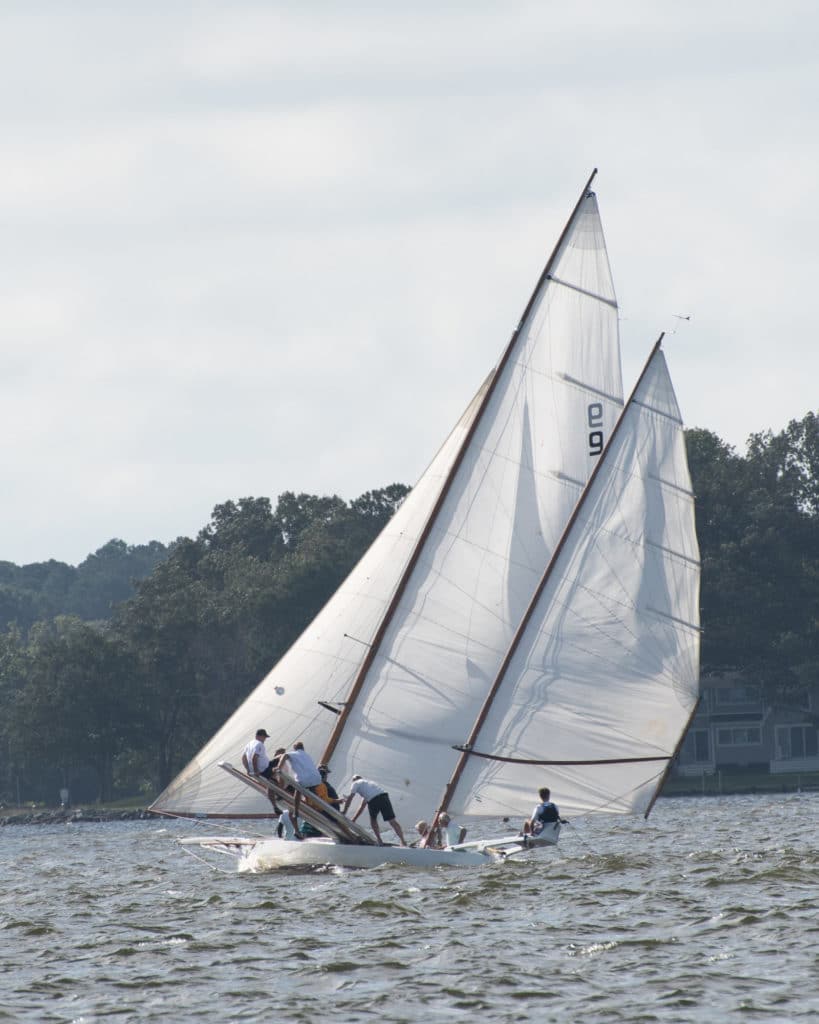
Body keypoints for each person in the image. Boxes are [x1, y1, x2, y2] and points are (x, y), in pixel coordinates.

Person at [343, 776, 407, 846]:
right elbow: (362, 807)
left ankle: (379, 840)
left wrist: (344, 811)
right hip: (384, 797)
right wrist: (354, 819)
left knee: (373, 820)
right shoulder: (369, 784)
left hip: (374, 800)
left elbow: (350, 798)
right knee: (392, 821)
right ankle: (403, 841)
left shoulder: (355, 783)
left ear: (354, 780)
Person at [277, 741, 322, 828]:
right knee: (312, 790)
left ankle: (296, 811)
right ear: (303, 748)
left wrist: (278, 768)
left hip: (304, 780)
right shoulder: (307, 755)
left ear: (295, 748)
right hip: (317, 779)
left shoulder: (293, 753)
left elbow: (284, 756)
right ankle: (319, 806)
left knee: (298, 790)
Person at [241, 729, 283, 814]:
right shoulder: (259, 744)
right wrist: (256, 771)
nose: (265, 739)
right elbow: (254, 757)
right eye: (264, 737)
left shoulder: (249, 744)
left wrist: (248, 769)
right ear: (259, 736)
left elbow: (243, 758)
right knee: (282, 758)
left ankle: (275, 804)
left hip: (258, 768)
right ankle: (281, 791)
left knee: (271, 783)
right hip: (264, 769)